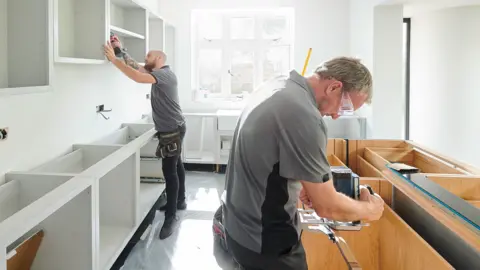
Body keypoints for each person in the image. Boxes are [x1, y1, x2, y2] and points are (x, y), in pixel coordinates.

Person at [222, 57, 385, 270]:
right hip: (267, 243)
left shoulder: (279, 85)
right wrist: (369, 210)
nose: (336, 116)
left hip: (238, 227)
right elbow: (328, 207)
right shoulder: (303, 115)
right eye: (344, 107)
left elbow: (269, 151)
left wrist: (299, 183)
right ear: (334, 87)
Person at [103, 40, 186, 240]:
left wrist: (114, 60)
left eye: (148, 56)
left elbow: (138, 77)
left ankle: (171, 217)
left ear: (159, 58)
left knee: (169, 170)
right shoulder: (158, 74)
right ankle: (180, 201)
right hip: (173, 127)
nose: (145, 59)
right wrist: (120, 51)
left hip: (172, 130)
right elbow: (137, 67)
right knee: (177, 165)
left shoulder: (165, 75)